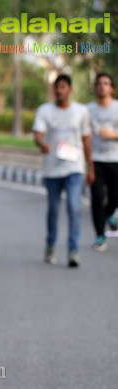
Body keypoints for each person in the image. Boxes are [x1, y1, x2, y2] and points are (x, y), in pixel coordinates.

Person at [33, 74, 93, 267]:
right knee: (53, 210)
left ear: (70, 89)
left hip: (74, 167)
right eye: (57, 87)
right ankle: (50, 244)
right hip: (52, 169)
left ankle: (73, 249)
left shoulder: (81, 111)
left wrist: (90, 167)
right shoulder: (45, 110)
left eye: (63, 87)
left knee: (74, 207)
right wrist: (42, 143)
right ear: (54, 90)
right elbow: (38, 134)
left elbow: (86, 140)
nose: (60, 91)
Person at [88, 72, 118, 253]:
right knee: (97, 197)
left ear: (112, 88)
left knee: (115, 196)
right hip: (94, 160)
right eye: (99, 83)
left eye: (106, 83)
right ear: (95, 87)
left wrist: (113, 135)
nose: (102, 86)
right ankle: (100, 235)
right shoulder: (87, 110)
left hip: (115, 159)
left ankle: (109, 213)